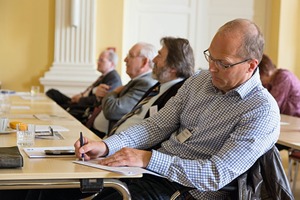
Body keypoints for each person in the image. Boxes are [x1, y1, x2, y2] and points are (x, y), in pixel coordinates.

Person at [37, 18, 280, 199]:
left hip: (185, 191)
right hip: (149, 174)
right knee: (50, 190)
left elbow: (215, 174)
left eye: (223, 63)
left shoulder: (260, 110)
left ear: (251, 66)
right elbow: (156, 126)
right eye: (210, 57)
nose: (212, 68)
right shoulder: (199, 81)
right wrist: (106, 145)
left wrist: (148, 158)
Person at [108, 36, 195, 136]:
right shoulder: (159, 86)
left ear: (173, 67)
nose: (153, 60)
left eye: (159, 55)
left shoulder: (178, 95)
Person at [91, 42, 157, 138]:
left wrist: (113, 92)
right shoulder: (137, 80)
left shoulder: (145, 83)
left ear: (144, 62)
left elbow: (113, 111)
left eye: (130, 56)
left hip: (108, 139)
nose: (125, 60)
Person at [46, 50, 122, 122]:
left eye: (101, 60)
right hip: (80, 102)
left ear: (111, 64)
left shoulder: (113, 78)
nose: (98, 62)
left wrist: (80, 99)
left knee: (58, 108)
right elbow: (90, 91)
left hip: (85, 108)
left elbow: (100, 100)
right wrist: (80, 95)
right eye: (98, 60)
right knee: (52, 92)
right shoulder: (104, 76)